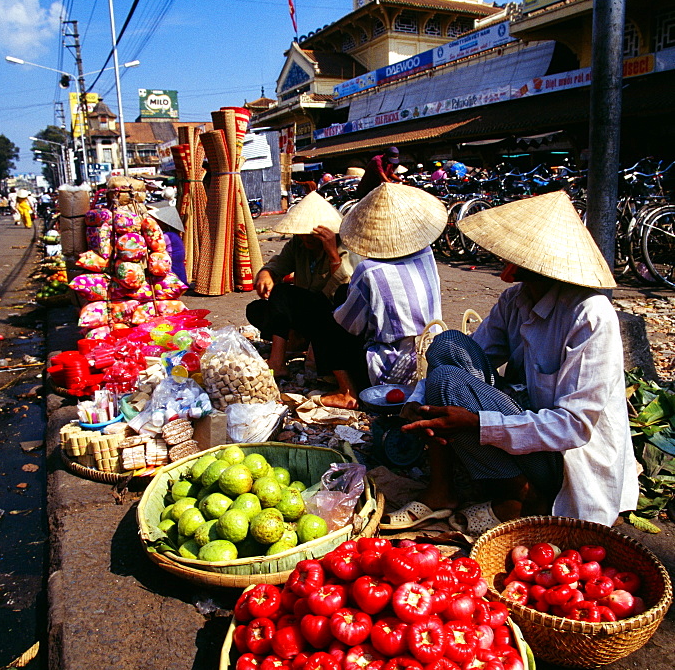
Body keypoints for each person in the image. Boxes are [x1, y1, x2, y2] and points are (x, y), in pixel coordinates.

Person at [396, 191, 639, 534]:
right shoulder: (516, 298)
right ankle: (442, 489)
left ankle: (522, 495)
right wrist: (418, 401)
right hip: (522, 412)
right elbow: (469, 354)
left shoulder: (590, 315)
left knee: (449, 384)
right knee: (447, 344)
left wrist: (477, 423)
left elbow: (574, 426)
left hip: (564, 454)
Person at [246, 192, 361, 408]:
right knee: (258, 309)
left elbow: (348, 290)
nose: (306, 238)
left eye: (312, 236)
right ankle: (294, 344)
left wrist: (332, 255)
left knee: (282, 294)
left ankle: (279, 361)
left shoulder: (344, 247)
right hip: (309, 312)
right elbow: (278, 265)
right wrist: (266, 274)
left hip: (336, 317)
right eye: (303, 234)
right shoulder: (298, 245)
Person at [333, 183, 447, 384]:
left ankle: (346, 392)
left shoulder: (368, 270)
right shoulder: (426, 252)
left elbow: (351, 326)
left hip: (391, 370)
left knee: (334, 315)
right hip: (432, 357)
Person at [150, 205, 187, 285]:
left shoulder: (168, 236)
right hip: (178, 264)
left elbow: (155, 245)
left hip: (173, 264)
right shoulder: (173, 234)